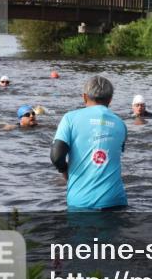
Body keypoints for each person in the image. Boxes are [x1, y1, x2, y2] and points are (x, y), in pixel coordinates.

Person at [50, 75, 128, 211]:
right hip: (116, 200)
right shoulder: (121, 124)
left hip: (82, 202)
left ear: (84, 97)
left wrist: (64, 170)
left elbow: (56, 156)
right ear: (110, 99)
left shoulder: (70, 119)